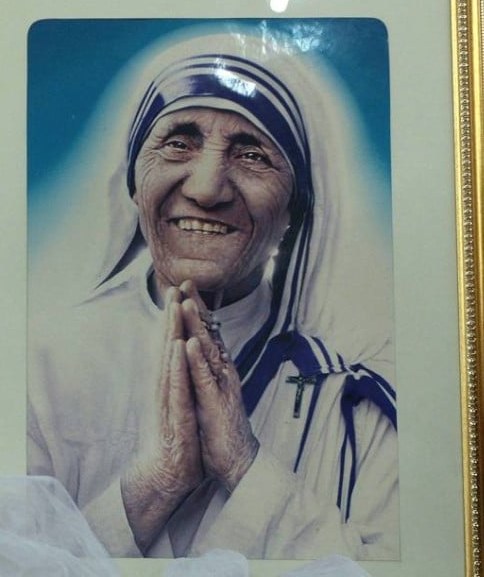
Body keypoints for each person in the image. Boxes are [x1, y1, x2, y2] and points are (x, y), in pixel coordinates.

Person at [27, 27, 398, 560]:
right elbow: (0, 561)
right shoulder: (43, 364)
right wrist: (160, 480)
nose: (205, 188)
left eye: (252, 155)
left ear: (295, 210)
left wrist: (243, 464)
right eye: (179, 142)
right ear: (135, 181)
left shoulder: (353, 399)